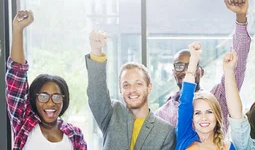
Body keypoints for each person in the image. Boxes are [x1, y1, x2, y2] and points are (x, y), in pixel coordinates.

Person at [156, 0, 252, 132]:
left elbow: (237, 64)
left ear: (201, 72)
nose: (185, 71)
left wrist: (241, 18)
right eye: (179, 66)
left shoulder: (217, 98)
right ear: (173, 73)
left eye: (191, 66)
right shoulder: (162, 115)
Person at [6, 10, 87, 150]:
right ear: (35, 99)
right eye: (43, 96)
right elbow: (17, 75)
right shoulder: (24, 124)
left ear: (63, 100)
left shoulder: (74, 135)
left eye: (56, 97)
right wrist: (18, 30)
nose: (50, 103)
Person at [86, 30, 175, 150]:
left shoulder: (165, 132)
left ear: (149, 87)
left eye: (138, 84)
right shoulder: (112, 114)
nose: (132, 90)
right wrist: (96, 51)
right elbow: (97, 92)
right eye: (126, 85)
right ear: (120, 90)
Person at [176, 42, 235, 150]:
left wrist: (229, 70)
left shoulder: (228, 147)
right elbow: (185, 101)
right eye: (197, 113)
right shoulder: (185, 137)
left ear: (217, 116)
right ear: (192, 118)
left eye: (209, 112)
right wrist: (194, 59)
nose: (204, 118)